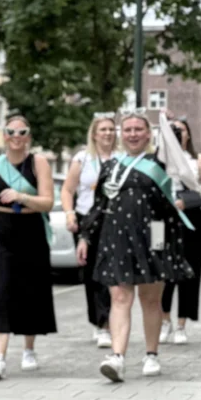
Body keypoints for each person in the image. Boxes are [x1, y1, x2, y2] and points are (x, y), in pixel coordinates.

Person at [76, 112, 194, 382]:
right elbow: (99, 206)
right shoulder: (110, 166)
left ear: (148, 133)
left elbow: (175, 199)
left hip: (154, 237)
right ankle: (117, 357)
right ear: (122, 134)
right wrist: (85, 237)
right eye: (127, 129)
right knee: (119, 298)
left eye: (138, 129)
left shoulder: (160, 164)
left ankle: (151, 354)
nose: (132, 134)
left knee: (150, 299)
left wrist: (162, 248)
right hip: (115, 238)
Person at [0, 115, 56, 379]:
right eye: (11, 131)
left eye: (22, 132)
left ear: (28, 137)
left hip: (31, 229)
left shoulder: (38, 162)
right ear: (4, 136)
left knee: (29, 289)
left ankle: (29, 348)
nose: (16, 136)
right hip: (0, 230)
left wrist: (22, 196)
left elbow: (48, 202)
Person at [159, 118, 201, 345]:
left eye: (181, 130)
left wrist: (188, 201)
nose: (177, 134)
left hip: (191, 220)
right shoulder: (159, 161)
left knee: (189, 274)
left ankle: (182, 324)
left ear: (188, 134)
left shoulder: (197, 160)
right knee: (162, 275)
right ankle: (164, 320)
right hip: (162, 223)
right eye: (173, 130)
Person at [61, 113, 117, 349]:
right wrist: (69, 214)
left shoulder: (121, 159)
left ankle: (106, 324)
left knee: (108, 273)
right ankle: (98, 321)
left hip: (112, 220)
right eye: (103, 129)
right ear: (94, 134)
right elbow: (67, 190)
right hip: (87, 219)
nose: (108, 133)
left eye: (111, 129)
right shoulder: (82, 159)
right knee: (92, 274)